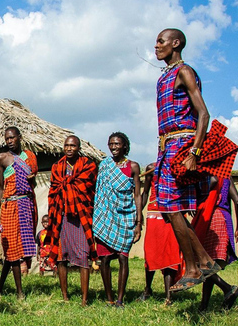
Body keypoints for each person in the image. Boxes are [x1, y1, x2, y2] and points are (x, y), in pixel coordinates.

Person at [153, 28, 219, 291]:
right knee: (169, 211)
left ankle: (193, 266)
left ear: (176, 43)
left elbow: (203, 114)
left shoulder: (184, 72)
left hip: (183, 146)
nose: (156, 46)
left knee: (171, 207)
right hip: (166, 147)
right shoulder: (164, 78)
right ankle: (202, 261)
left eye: (161, 41)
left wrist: (195, 152)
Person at [46, 135, 97, 306]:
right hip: (61, 215)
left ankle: (84, 298)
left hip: (81, 215)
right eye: (66, 145)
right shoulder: (57, 167)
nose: (69, 149)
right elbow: (53, 190)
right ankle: (65, 296)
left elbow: (89, 189)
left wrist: (70, 189)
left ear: (78, 147)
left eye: (73, 146)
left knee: (83, 256)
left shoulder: (88, 165)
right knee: (61, 257)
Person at [92, 132, 142, 307]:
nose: (113, 147)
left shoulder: (133, 166)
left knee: (122, 258)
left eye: (117, 144)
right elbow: (99, 194)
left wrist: (138, 222)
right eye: (111, 144)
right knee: (104, 259)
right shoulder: (104, 166)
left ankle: (120, 299)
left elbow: (137, 196)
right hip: (105, 217)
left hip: (125, 217)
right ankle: (109, 298)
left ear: (124, 146)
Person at [0, 127, 38, 299]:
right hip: (10, 207)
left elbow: (32, 182)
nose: (9, 141)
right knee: (12, 249)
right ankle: (20, 293)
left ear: (19, 137)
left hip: (26, 204)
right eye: (7, 138)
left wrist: (32, 180)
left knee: (17, 250)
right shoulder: (2, 158)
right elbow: (1, 187)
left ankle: (0, 287)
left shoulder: (30, 157)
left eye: (12, 138)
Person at [196, 176, 238, 311]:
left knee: (201, 262)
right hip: (224, 217)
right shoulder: (227, 177)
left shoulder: (204, 177)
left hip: (210, 218)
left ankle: (227, 288)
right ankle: (203, 306)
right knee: (211, 265)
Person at [139, 163, 181, 306]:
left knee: (170, 253)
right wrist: (138, 214)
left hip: (173, 213)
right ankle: (147, 289)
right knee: (151, 252)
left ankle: (168, 295)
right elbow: (145, 193)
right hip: (154, 213)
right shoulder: (151, 168)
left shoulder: (178, 167)